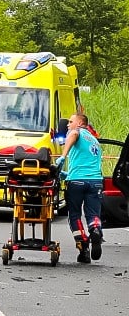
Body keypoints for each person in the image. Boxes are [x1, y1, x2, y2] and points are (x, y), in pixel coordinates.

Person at [55, 112, 104, 263]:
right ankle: (95, 229)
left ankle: (84, 248)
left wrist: (63, 156)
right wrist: (66, 174)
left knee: (74, 215)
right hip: (95, 182)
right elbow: (86, 164)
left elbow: (73, 134)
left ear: (80, 123)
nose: (68, 125)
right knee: (93, 214)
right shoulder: (94, 140)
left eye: (71, 121)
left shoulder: (77, 132)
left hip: (76, 182)